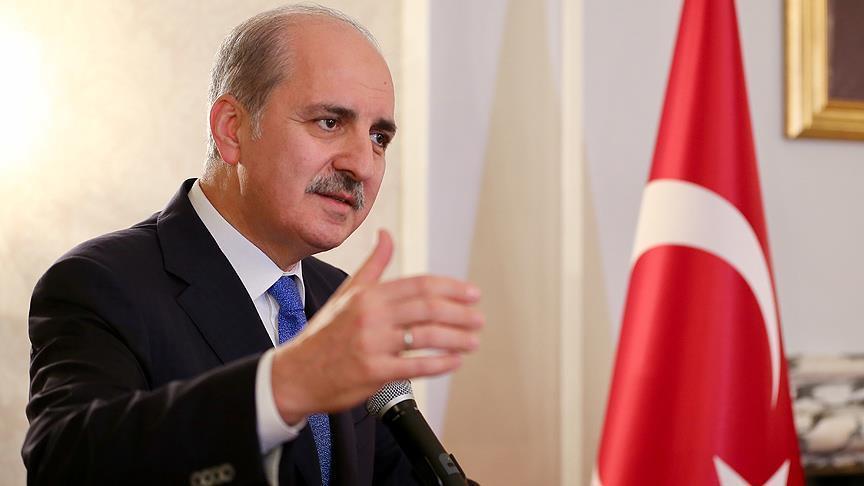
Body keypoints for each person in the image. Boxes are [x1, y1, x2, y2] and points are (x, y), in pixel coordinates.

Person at [22, 5, 484, 485]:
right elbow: (66, 463)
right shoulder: (100, 282)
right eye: (329, 122)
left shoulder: (338, 300)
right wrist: (286, 384)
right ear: (232, 129)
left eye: (379, 137)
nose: (362, 165)